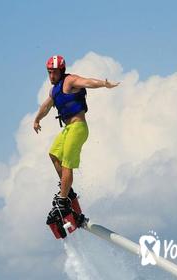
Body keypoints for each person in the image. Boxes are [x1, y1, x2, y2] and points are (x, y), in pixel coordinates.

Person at [33, 55, 119, 222]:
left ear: (62, 71)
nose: (51, 76)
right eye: (49, 73)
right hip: (68, 129)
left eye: (54, 73)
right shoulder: (55, 89)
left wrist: (104, 84)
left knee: (67, 165)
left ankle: (64, 201)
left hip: (78, 128)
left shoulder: (70, 81)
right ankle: (67, 191)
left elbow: (87, 82)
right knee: (53, 154)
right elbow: (46, 106)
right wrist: (37, 119)